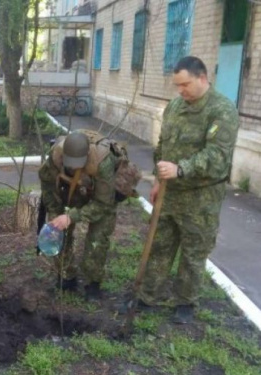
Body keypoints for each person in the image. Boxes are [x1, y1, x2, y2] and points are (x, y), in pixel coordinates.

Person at [131, 56, 239, 324]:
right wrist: (158, 178)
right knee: (160, 245)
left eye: (186, 84)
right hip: (170, 193)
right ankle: (148, 296)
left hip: (201, 199)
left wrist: (181, 169)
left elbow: (217, 156)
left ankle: (185, 303)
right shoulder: (175, 107)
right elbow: (163, 145)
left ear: (202, 78)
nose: (181, 91)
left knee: (193, 253)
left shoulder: (222, 110)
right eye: (177, 86)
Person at [38, 129, 140, 302]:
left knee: (97, 241)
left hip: (101, 198)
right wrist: (56, 211)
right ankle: (67, 276)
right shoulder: (55, 156)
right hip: (73, 192)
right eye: (70, 163)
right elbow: (47, 185)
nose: (73, 167)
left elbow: (102, 204)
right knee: (56, 231)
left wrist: (71, 217)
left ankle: (93, 283)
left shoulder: (102, 162)